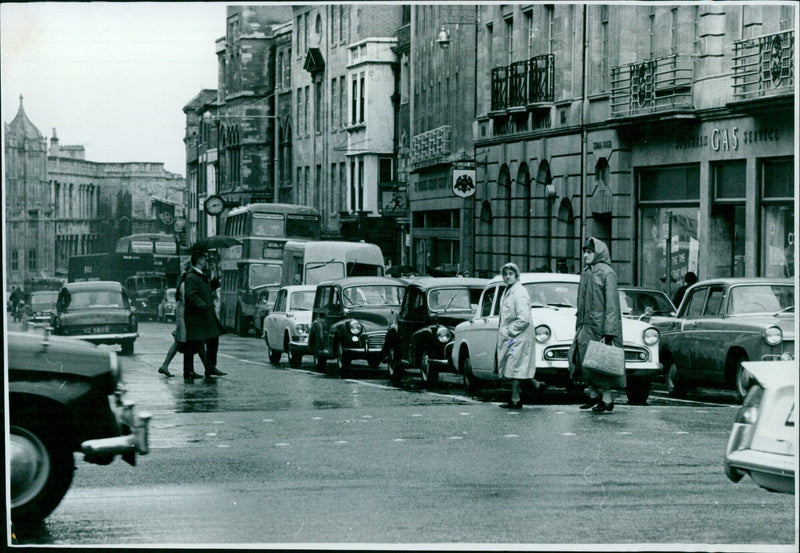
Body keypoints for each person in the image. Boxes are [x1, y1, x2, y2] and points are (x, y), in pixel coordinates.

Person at [569, 237, 624, 413]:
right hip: (585, 326)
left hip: (600, 327)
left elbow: (612, 304)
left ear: (598, 252)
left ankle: (607, 399)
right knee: (581, 361)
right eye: (585, 251)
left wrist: (609, 331)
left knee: (600, 364)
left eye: (589, 251)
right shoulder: (586, 272)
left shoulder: (607, 273)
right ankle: (593, 395)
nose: (586, 254)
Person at [496, 262, 537, 409]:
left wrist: (509, 331)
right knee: (513, 366)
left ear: (516, 275)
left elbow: (523, 318)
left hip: (518, 336)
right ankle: (532, 386)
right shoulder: (509, 290)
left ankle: (515, 398)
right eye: (505, 274)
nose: (507, 277)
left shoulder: (519, 292)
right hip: (514, 337)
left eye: (510, 274)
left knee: (515, 367)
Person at [183, 250, 227, 380]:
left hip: (204, 315)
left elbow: (205, 290)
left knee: (212, 339)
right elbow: (191, 295)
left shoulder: (201, 276)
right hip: (196, 316)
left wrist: (215, 282)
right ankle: (189, 370)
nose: (206, 261)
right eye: (204, 259)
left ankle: (210, 367)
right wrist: (203, 305)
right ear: (199, 261)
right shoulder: (191, 276)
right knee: (191, 343)